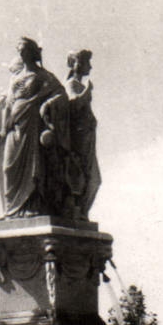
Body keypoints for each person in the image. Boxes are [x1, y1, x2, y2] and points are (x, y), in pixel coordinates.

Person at [0, 38, 68, 218]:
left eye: (24, 50)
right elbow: (9, 106)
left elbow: (61, 93)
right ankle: (12, 209)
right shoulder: (16, 79)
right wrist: (3, 130)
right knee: (8, 167)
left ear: (32, 52)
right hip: (15, 127)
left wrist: (47, 104)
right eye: (19, 50)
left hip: (33, 126)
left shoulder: (43, 75)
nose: (21, 53)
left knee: (34, 168)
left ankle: (32, 207)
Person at [63, 49, 101, 221]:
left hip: (87, 139)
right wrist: (87, 91)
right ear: (77, 64)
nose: (90, 67)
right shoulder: (71, 84)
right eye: (87, 62)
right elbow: (73, 104)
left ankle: (82, 213)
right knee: (86, 177)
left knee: (92, 178)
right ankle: (79, 212)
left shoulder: (78, 85)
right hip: (79, 140)